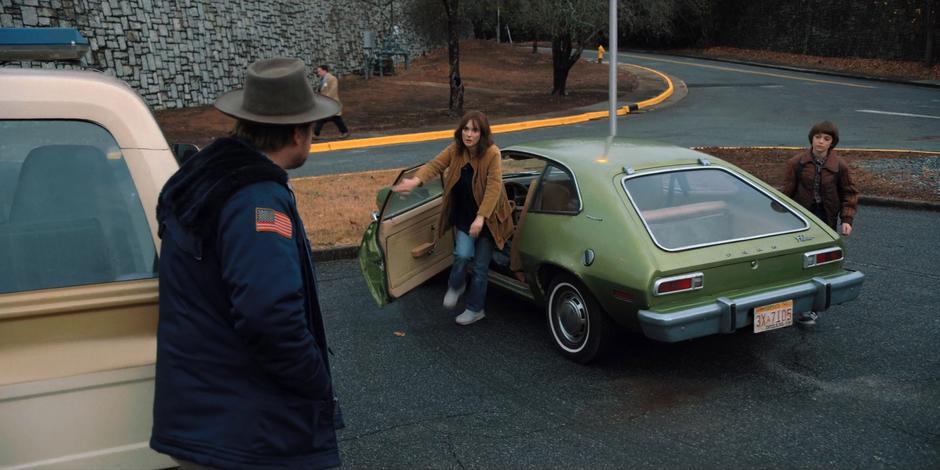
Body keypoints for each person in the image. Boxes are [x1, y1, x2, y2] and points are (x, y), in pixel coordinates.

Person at [151, 58, 343, 470]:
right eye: (313, 126)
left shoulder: (203, 179)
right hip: (249, 432)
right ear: (296, 132)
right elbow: (269, 315)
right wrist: (315, 382)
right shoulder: (256, 199)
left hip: (207, 417)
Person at [391, 111, 514, 325]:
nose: (469, 134)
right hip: (464, 216)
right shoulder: (456, 150)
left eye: (474, 130)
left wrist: (481, 217)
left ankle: (475, 309)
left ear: (482, 133)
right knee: (462, 255)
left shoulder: (492, 153)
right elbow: (435, 165)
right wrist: (415, 181)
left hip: (489, 218)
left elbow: (494, 187)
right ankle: (456, 285)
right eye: (466, 129)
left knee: (480, 268)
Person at [783, 120, 859, 326]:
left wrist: (847, 220)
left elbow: (849, 194)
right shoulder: (797, 163)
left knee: (819, 262)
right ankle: (789, 299)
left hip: (825, 217)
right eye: (818, 137)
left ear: (832, 143)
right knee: (798, 259)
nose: (821, 142)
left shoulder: (839, 166)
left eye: (826, 139)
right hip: (802, 217)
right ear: (811, 139)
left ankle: (810, 308)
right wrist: (778, 215)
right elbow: (786, 193)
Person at [313, 64, 350, 139]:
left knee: (334, 118)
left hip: (331, 102)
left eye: (319, 71)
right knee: (325, 118)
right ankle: (316, 134)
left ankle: (345, 132)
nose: (318, 73)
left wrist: (326, 99)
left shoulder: (332, 79)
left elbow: (333, 90)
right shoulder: (322, 79)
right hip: (326, 103)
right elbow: (321, 90)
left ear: (324, 70)